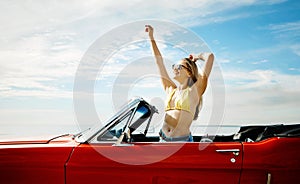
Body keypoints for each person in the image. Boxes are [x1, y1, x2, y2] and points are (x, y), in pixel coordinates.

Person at [145, 25, 214, 142]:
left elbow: (210, 57)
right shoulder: (170, 90)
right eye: (174, 66)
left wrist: (196, 56)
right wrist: (151, 38)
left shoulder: (194, 91)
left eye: (179, 66)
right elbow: (159, 62)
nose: (174, 69)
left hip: (181, 142)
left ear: (189, 73)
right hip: (163, 139)